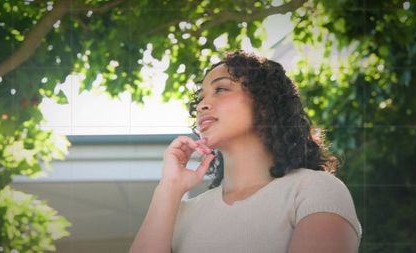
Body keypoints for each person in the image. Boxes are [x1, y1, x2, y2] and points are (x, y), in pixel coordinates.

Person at [129, 50, 362, 253]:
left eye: (220, 89)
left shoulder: (312, 189)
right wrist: (169, 187)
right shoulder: (180, 214)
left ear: (264, 103)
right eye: (200, 99)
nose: (202, 105)